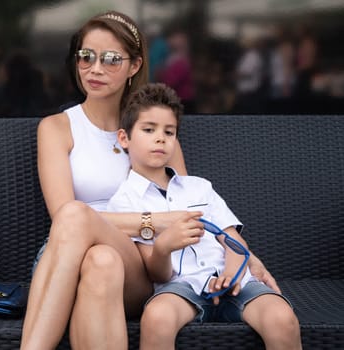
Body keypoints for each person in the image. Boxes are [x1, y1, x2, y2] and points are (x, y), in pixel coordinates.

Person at [21, 10, 280, 350]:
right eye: (86, 56)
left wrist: (244, 256)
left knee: (88, 229)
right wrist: (154, 221)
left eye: (112, 59)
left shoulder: (154, 132)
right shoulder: (57, 128)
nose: (95, 69)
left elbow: (188, 212)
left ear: (134, 66)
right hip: (67, 254)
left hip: (140, 263)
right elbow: (62, 220)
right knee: (96, 252)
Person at [107, 82, 302, 349]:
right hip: (180, 287)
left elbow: (232, 240)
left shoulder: (199, 187)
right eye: (149, 129)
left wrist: (232, 274)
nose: (161, 138)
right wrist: (164, 246)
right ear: (124, 138)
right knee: (157, 316)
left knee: (282, 318)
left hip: (234, 283)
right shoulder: (124, 201)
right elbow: (156, 273)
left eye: (169, 132)